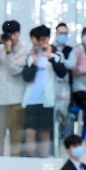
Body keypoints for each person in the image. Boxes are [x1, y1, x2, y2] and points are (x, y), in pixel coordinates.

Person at [21, 25, 67, 158]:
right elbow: (26, 78)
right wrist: (34, 63)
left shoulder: (56, 56)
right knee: (29, 132)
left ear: (47, 39)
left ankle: (43, 160)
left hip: (48, 100)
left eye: (43, 39)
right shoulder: (30, 57)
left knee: (44, 132)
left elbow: (62, 73)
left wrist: (50, 57)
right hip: (31, 100)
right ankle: (30, 160)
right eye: (38, 40)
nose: (41, 43)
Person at [0, 20, 31, 156]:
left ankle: (15, 165)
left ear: (18, 34)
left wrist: (8, 52)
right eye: (7, 34)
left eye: (13, 34)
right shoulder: (1, 48)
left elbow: (14, 70)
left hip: (15, 100)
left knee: (16, 138)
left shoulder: (25, 50)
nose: (10, 37)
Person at [52, 23, 78, 148]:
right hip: (51, 86)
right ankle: (53, 143)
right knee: (52, 115)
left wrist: (59, 60)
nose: (63, 36)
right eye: (60, 33)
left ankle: (65, 143)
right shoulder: (50, 48)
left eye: (65, 33)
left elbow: (72, 64)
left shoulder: (70, 50)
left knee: (64, 114)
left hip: (65, 86)